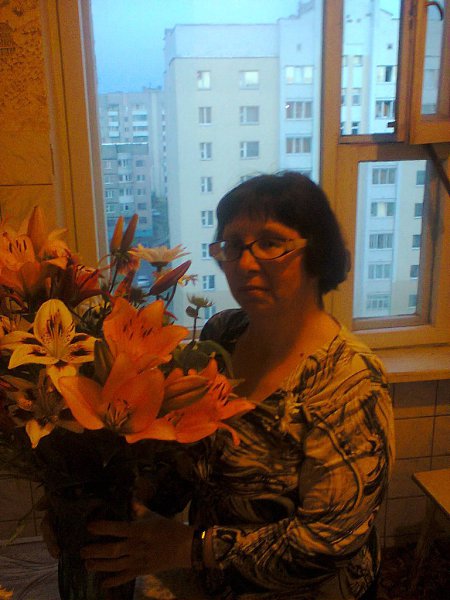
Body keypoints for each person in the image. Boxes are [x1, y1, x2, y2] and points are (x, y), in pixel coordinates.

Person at [54, 172, 395, 599]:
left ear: (317, 252)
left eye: (270, 243)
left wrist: (190, 547)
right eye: (232, 245)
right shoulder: (223, 335)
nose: (245, 264)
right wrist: (102, 503)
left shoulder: (350, 381)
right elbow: (189, 453)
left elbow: (328, 543)